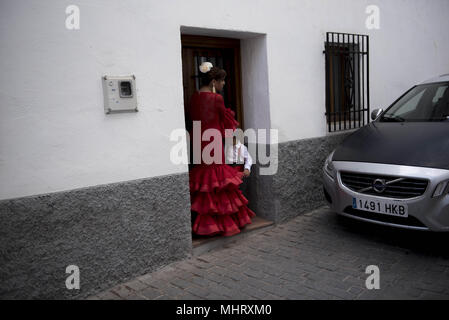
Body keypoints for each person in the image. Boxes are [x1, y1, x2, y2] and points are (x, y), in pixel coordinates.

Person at [188, 61, 256, 237]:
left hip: (199, 140)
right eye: (222, 81)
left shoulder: (194, 97)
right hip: (213, 140)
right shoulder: (216, 98)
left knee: (206, 177)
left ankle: (206, 224)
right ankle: (221, 223)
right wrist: (233, 140)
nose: (223, 84)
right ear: (213, 82)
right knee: (218, 179)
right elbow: (227, 124)